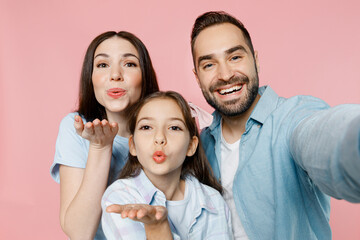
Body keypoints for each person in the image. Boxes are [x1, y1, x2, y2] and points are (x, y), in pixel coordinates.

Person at [190, 11, 360, 239]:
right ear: (197, 76)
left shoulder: (293, 118)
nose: (225, 74)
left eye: (235, 57)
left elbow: (327, 140)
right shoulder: (198, 145)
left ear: (256, 60)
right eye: (209, 64)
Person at [50, 31, 159, 239]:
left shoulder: (164, 130)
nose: (115, 75)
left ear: (145, 76)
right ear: (90, 78)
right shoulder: (75, 127)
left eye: (129, 64)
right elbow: (79, 232)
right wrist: (100, 147)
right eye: (102, 65)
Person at [101, 91, 233, 240]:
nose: (159, 138)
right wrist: (157, 228)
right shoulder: (119, 198)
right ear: (132, 146)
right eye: (146, 127)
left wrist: (159, 228)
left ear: (191, 146)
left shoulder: (213, 201)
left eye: (174, 128)